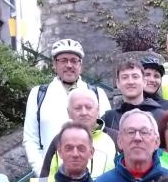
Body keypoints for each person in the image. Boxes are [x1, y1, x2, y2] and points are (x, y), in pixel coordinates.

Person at [23, 38, 111, 175]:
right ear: (54, 64)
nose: (69, 65)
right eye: (63, 60)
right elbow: (30, 138)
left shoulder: (97, 94)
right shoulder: (39, 94)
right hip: (48, 176)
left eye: (74, 60)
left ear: (80, 65)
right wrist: (41, 170)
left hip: (93, 175)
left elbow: (106, 134)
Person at [100, 59, 168, 134]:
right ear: (118, 84)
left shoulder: (161, 116)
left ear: (144, 82)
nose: (130, 82)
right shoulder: (109, 118)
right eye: (125, 77)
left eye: (135, 77)